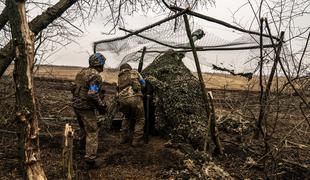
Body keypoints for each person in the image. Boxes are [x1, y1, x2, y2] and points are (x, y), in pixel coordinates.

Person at [71, 52, 107, 169]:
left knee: (83, 128)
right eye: (103, 64)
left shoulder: (82, 72)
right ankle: (90, 160)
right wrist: (101, 106)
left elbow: (74, 88)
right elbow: (92, 94)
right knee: (92, 131)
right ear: (100, 64)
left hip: (76, 106)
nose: (103, 66)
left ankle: (82, 147)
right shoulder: (95, 75)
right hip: (86, 108)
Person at [117, 63, 146, 147]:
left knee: (126, 117)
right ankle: (136, 141)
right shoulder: (134, 72)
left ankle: (123, 139)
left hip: (122, 100)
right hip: (135, 98)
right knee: (140, 119)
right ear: (129, 68)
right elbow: (143, 84)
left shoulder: (120, 76)